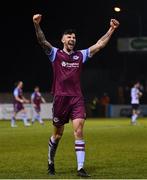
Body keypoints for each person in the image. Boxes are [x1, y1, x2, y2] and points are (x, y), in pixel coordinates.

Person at [33, 14, 119, 177]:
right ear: (63, 40)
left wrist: (111, 29)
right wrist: (36, 25)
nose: (72, 39)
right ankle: (51, 162)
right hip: (60, 98)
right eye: (69, 37)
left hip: (76, 98)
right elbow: (42, 41)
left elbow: (99, 45)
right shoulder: (55, 54)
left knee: (79, 130)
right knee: (57, 135)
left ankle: (80, 168)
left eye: (74, 37)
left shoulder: (80, 55)